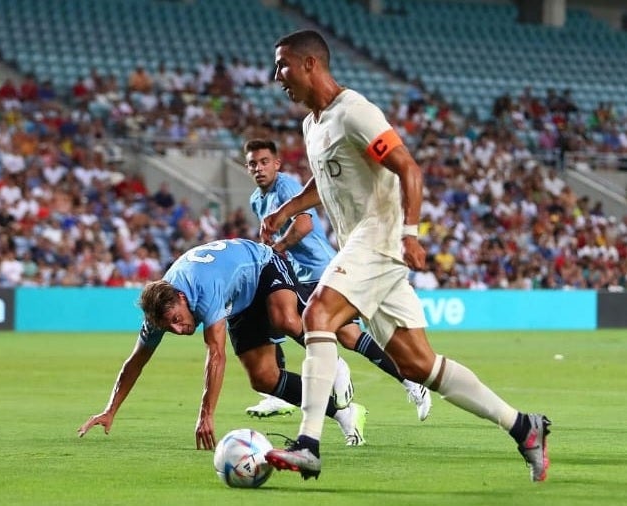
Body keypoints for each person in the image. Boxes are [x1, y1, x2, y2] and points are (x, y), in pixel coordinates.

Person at [261, 30, 550, 482]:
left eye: (282, 65)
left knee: (316, 314)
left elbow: (407, 167)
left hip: (380, 237)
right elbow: (326, 180)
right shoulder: (312, 125)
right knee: (419, 364)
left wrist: (410, 234)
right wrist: (286, 209)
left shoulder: (354, 112)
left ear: (310, 64)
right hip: (362, 245)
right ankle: (522, 426)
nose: (275, 75)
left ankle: (308, 443)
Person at [77, 238, 367, 448]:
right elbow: (135, 362)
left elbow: (216, 354)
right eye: (170, 327)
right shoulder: (158, 313)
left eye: (177, 319)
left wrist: (206, 415)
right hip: (240, 297)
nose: (178, 330)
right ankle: (343, 413)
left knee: (287, 320)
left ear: (181, 298)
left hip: (264, 264)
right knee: (264, 379)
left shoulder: (203, 289)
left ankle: (336, 364)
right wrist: (110, 409)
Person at [243, 138, 431, 421]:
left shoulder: (286, 186)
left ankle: (293, 387)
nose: (259, 168)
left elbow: (304, 225)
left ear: (277, 164)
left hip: (319, 269)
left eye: (264, 162)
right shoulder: (257, 200)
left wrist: (277, 248)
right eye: (253, 164)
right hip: (298, 273)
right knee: (350, 335)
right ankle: (410, 379)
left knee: (272, 310)